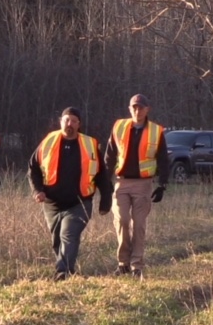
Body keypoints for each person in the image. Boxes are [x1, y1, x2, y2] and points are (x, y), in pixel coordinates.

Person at [28, 106, 112, 282]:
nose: (70, 123)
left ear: (79, 124)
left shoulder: (90, 144)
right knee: (57, 241)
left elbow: (102, 175)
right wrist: (38, 190)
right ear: (61, 122)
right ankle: (67, 269)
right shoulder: (48, 142)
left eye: (74, 121)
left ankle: (63, 273)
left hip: (80, 203)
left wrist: (106, 200)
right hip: (51, 203)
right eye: (66, 119)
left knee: (69, 234)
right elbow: (33, 168)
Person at [104, 94, 170, 280]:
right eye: (134, 107)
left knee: (139, 225)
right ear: (129, 108)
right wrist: (105, 181)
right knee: (123, 221)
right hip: (121, 182)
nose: (137, 110)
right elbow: (109, 155)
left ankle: (136, 265)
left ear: (147, 109)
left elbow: (163, 159)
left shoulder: (156, 131)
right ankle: (122, 263)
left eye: (141, 107)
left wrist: (162, 185)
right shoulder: (119, 127)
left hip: (143, 184)